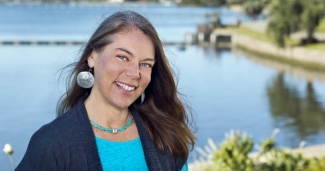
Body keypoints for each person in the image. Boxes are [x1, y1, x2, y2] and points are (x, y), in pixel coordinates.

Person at [16, 10, 196, 171]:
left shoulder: (165, 136)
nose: (135, 73)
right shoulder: (51, 145)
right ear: (92, 57)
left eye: (145, 64)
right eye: (123, 57)